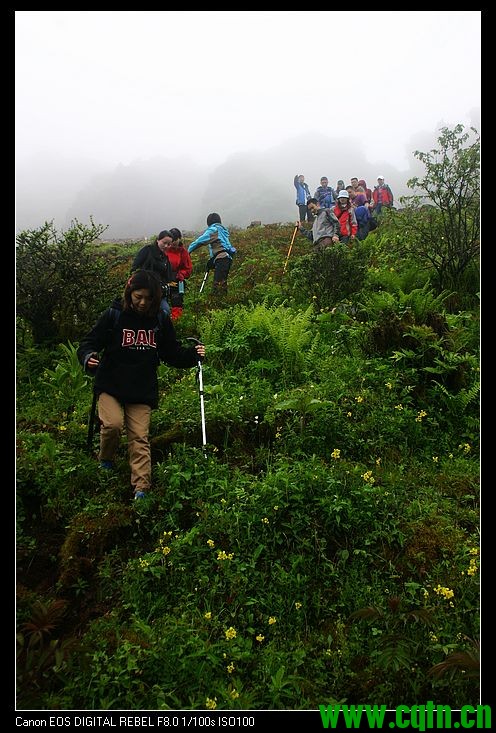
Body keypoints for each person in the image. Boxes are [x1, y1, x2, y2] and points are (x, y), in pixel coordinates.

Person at [77, 270, 205, 500]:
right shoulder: (114, 315)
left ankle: (141, 488)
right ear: (129, 293)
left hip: (142, 388)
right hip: (110, 383)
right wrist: (88, 356)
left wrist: (193, 355)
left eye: (148, 298)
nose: (143, 303)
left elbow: (171, 353)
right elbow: (89, 342)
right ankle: (106, 459)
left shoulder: (159, 319)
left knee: (139, 436)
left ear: (156, 298)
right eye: (138, 297)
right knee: (113, 426)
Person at [188, 213, 236, 295]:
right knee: (222, 282)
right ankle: (223, 302)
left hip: (221, 259)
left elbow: (199, 241)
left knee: (218, 285)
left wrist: (187, 251)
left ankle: (218, 304)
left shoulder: (213, 230)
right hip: (227, 259)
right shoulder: (223, 230)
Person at [131, 230, 174, 316]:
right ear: (158, 240)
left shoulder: (165, 258)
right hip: (143, 290)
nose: (166, 246)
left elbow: (168, 277)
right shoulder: (147, 250)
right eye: (164, 242)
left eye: (169, 244)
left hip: (158, 293)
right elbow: (134, 268)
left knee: (165, 312)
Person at [164, 228, 193, 321]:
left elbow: (188, 268)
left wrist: (181, 274)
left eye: (175, 240)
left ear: (179, 239)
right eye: (171, 240)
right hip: (164, 280)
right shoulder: (164, 250)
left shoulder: (183, 252)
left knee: (176, 301)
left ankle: (176, 321)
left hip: (177, 281)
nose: (173, 243)